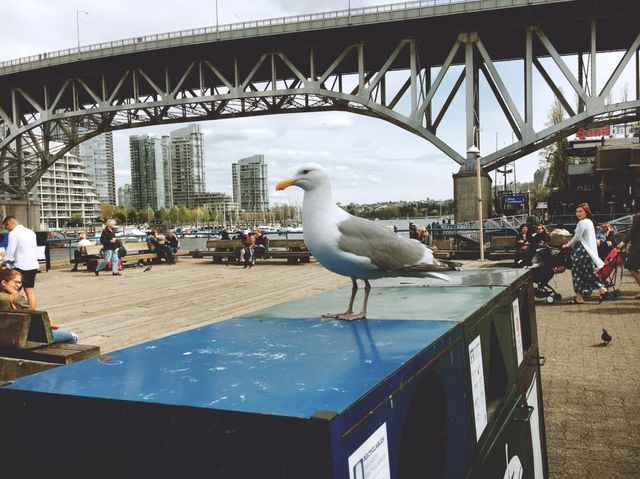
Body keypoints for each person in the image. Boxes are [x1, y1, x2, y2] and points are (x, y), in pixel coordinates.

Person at [0, 269, 78, 343]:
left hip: (4, 338)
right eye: (15, 282)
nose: (18, 285)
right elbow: (37, 318)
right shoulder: (16, 298)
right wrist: (16, 295)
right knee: (73, 337)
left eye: (20, 282)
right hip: (26, 338)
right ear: (4, 283)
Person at [561, 203, 609, 304]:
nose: (578, 213)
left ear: (586, 213)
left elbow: (577, 237)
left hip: (582, 252)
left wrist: (567, 245)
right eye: (577, 211)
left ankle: (602, 290)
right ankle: (581, 296)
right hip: (588, 252)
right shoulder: (589, 222)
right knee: (586, 273)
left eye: (581, 211)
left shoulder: (582, 223)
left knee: (579, 273)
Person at [2, 216, 39, 308]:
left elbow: (10, 250)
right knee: (30, 292)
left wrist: (4, 262)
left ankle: (16, 312)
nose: (8, 231)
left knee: (13, 290)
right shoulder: (31, 232)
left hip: (20, 266)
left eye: (6, 228)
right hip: (33, 265)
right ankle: (32, 314)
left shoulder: (14, 233)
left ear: (9, 223)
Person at [617, 214, 640, 298]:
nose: (633, 203)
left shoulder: (638, 217)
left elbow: (633, 231)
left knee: (630, 265)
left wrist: (623, 243)